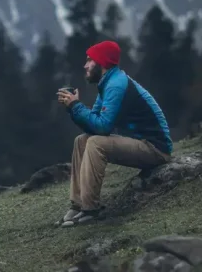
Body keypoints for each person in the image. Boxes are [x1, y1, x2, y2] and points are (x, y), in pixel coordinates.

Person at [55, 40, 173, 227]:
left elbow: (102, 128)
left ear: (101, 62)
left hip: (155, 149)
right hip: (137, 142)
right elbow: (93, 123)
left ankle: (90, 209)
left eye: (89, 60)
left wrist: (76, 106)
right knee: (82, 140)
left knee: (96, 143)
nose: (85, 65)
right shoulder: (107, 84)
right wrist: (73, 107)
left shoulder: (116, 85)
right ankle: (77, 206)